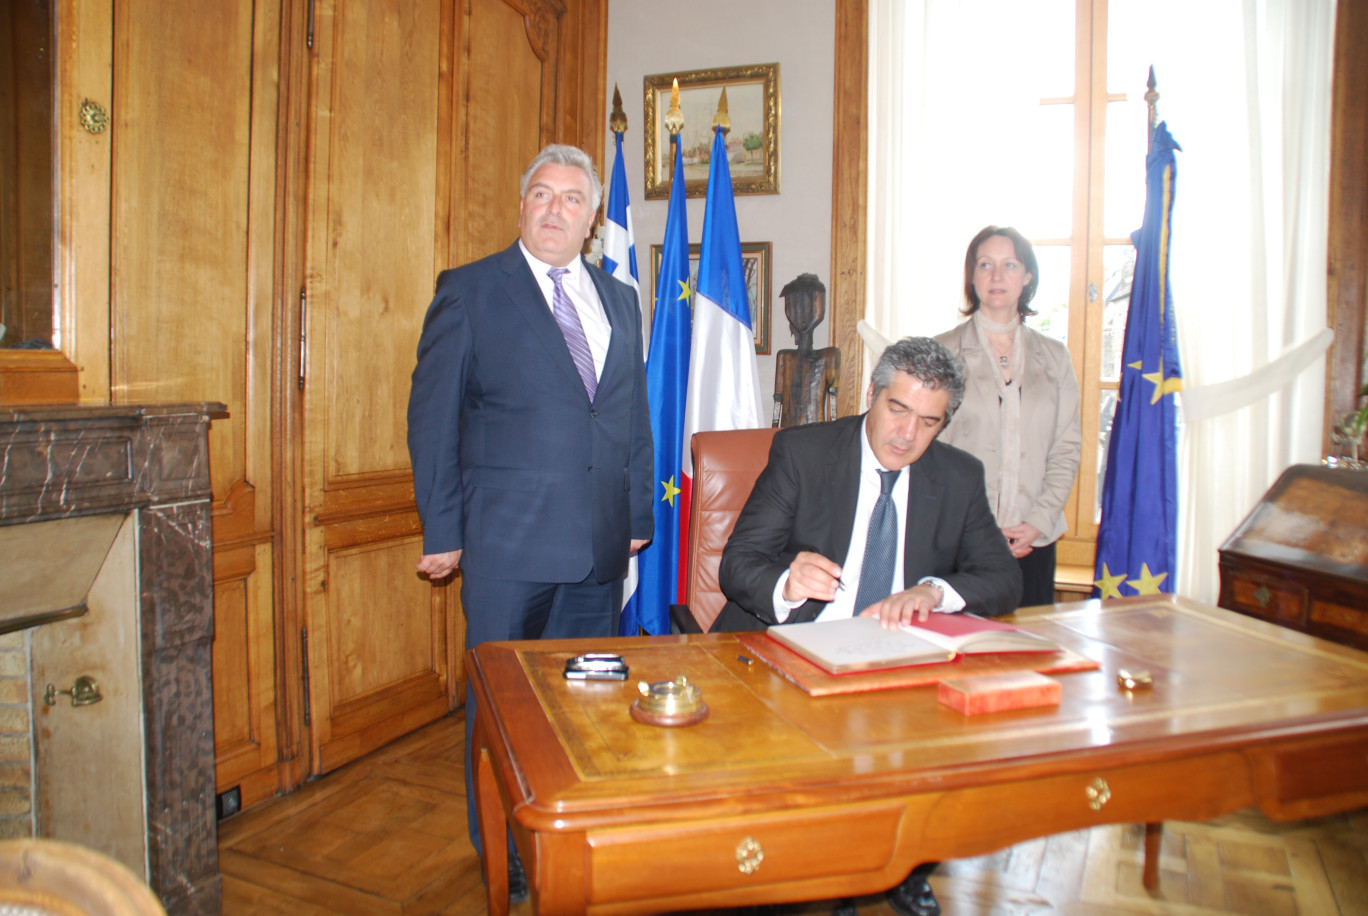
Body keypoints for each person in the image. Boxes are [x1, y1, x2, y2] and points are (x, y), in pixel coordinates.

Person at [406, 143, 653, 903]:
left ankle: (569, 827)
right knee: (505, 711)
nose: (554, 209)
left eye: (571, 199)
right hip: (506, 545)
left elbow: (631, 419)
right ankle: (505, 850)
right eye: (540, 195)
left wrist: (638, 514)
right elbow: (432, 418)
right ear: (522, 207)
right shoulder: (471, 291)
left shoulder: (620, 301)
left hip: (599, 544)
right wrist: (442, 531)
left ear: (591, 219)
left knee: (587, 704)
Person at [713, 336, 1021, 916]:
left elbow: (1002, 578)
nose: (907, 435)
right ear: (871, 395)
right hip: (795, 649)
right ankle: (816, 876)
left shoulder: (957, 477)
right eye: (897, 410)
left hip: (894, 659)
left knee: (949, 736)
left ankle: (899, 863)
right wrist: (787, 580)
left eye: (928, 422)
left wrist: (934, 591)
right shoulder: (804, 454)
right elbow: (739, 563)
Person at [935, 226, 1081, 607]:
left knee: (1027, 655)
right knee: (961, 656)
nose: (996, 276)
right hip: (960, 542)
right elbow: (929, 452)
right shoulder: (941, 352)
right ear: (972, 275)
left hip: (1034, 540)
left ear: (1027, 276)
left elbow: (1066, 448)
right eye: (985, 264)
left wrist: (1037, 522)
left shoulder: (1055, 358)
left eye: (1009, 265)